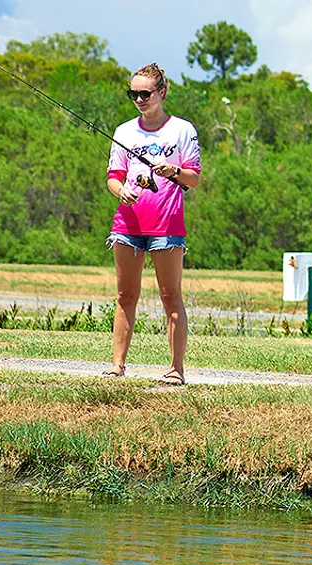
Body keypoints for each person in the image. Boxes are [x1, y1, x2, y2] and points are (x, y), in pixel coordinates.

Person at [103, 63, 201, 386]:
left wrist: (172, 171)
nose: (139, 99)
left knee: (170, 295)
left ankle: (176, 369)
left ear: (161, 92)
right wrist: (123, 191)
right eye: (133, 93)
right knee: (125, 295)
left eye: (145, 93)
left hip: (167, 225)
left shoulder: (182, 130)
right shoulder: (123, 132)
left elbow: (194, 178)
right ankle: (117, 365)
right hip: (128, 224)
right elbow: (113, 178)